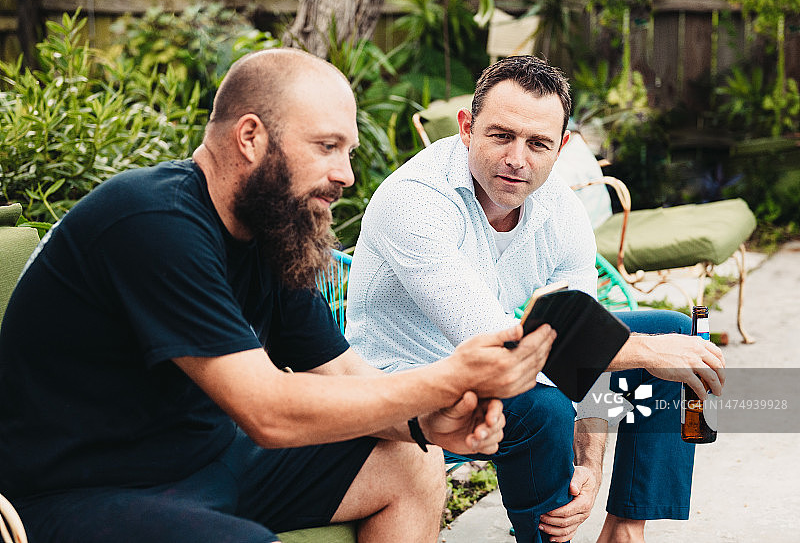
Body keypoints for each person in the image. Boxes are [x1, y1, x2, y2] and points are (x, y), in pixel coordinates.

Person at [0, 49, 557, 543]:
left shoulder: (272, 233)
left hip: (204, 461)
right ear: (250, 138)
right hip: (79, 492)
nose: (346, 176)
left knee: (412, 465)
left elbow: (339, 376)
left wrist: (424, 423)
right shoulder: (151, 221)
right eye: (327, 147)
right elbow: (267, 411)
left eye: (349, 152)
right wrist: (450, 377)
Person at [345, 55, 726, 543]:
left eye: (538, 143)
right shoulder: (415, 201)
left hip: (509, 371)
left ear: (562, 146)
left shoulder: (559, 210)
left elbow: (582, 339)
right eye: (501, 135)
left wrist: (587, 461)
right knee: (550, 402)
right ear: (467, 128)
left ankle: (626, 530)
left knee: (672, 330)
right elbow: (494, 342)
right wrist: (647, 355)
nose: (517, 159)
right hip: (413, 391)